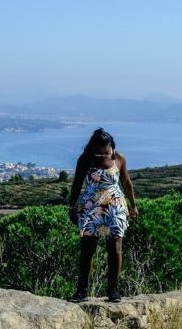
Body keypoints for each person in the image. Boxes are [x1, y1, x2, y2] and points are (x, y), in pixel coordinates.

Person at [68, 127, 138, 303]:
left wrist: (133, 206)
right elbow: (76, 183)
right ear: (93, 149)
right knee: (87, 250)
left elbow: (126, 182)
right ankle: (82, 291)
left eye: (106, 152)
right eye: (99, 153)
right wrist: (72, 207)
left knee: (115, 248)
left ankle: (113, 291)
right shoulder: (85, 160)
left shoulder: (119, 158)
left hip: (115, 208)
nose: (103, 155)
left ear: (112, 147)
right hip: (91, 207)